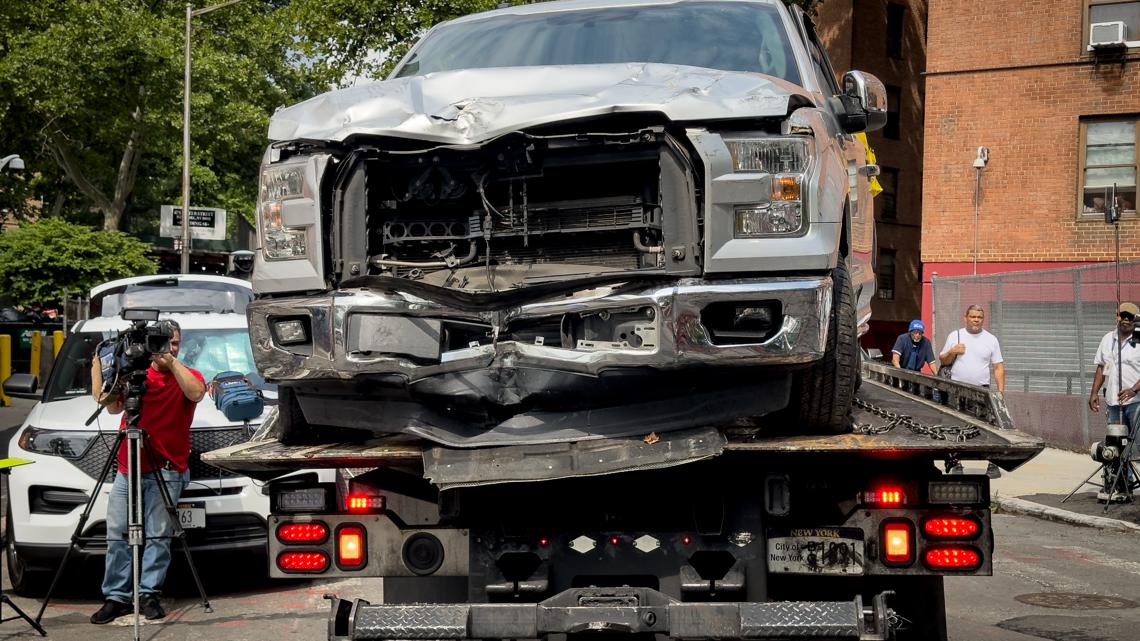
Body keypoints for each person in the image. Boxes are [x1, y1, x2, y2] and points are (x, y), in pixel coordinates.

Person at [88, 320, 205, 624]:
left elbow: (195, 394)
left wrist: (172, 360)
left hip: (167, 468)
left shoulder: (188, 376)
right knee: (116, 534)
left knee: (158, 535)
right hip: (129, 468)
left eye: (174, 342)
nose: (168, 347)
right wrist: (99, 362)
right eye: (164, 342)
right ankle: (117, 597)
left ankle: (149, 593)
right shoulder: (134, 374)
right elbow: (107, 404)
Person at [1087, 302, 1140, 502]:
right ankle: (1120, 485)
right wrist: (1094, 393)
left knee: (1135, 446)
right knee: (1115, 445)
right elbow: (1102, 367)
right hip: (1113, 403)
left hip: (1136, 402)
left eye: (1130, 316)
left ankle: (1127, 482)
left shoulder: (1139, 338)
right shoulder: (1107, 339)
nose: (1126, 319)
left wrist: (1134, 388)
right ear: (1116, 316)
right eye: (1122, 315)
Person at [939, 305, 1005, 393]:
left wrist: (1001, 392)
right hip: (956, 389)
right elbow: (943, 362)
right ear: (965, 318)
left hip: (982, 390)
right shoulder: (954, 335)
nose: (976, 320)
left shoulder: (991, 339)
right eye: (973, 317)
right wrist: (952, 352)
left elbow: (998, 368)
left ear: (983, 319)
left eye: (980, 317)